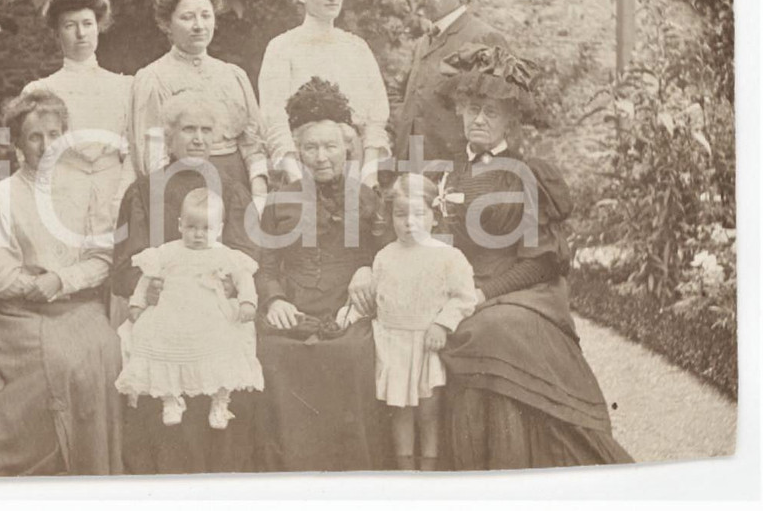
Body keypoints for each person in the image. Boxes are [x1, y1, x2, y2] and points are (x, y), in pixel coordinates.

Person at [426, 43, 633, 469]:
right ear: (461, 111)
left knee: (493, 329)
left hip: (521, 289)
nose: (479, 119)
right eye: (472, 110)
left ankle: (513, 463)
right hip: (458, 288)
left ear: (510, 122)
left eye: (492, 113)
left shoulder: (527, 174)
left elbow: (539, 261)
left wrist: (482, 294)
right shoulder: (444, 172)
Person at [0, 90, 122, 477]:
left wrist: (61, 279)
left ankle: (90, 468)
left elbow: (101, 258)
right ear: (17, 143)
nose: (46, 146)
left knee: (105, 350)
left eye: (55, 135)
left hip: (76, 304)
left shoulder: (85, 190)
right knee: (59, 360)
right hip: (22, 313)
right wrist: (36, 287)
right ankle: (44, 466)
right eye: (35, 137)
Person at [113, 93, 260, 473]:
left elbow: (248, 254)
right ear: (170, 136)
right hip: (164, 305)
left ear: (217, 137)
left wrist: (231, 284)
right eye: (188, 129)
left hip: (214, 305)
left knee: (226, 351)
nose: (197, 138)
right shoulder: (143, 190)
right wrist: (149, 286)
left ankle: (222, 469)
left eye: (206, 130)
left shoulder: (232, 189)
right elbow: (125, 263)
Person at [253, 77, 391, 472]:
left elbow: (385, 255)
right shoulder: (280, 202)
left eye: (330, 146)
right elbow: (265, 264)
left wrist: (367, 268)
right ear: (298, 151)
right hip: (292, 309)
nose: (321, 156)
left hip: (347, 310)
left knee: (350, 355)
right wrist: (275, 298)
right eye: (310, 147)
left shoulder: (365, 199)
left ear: (347, 149)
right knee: (274, 354)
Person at [115, 188, 264, 430]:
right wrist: (137, 303)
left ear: (219, 229)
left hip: (211, 312)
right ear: (180, 225)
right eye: (192, 227)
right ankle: (170, 397)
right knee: (150, 335)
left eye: (206, 229)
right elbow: (146, 278)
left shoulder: (224, 254)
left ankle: (221, 400)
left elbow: (243, 278)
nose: (198, 235)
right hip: (174, 311)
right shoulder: (168, 251)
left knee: (228, 340)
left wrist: (248, 301)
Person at [130, 0, 268, 205]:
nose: (199, 26)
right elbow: (152, 153)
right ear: (167, 24)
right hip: (181, 189)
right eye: (187, 17)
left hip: (237, 187)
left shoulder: (233, 75)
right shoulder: (153, 78)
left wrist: (259, 194)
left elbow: (253, 143)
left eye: (206, 16)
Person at [258, 0, 391, 188]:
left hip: (354, 171)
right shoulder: (282, 48)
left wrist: (369, 176)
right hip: (301, 169)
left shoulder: (357, 48)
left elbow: (376, 118)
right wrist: (296, 179)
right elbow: (273, 120)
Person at [370, 173, 477, 472]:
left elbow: (465, 297)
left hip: (426, 345)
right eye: (400, 214)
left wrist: (442, 324)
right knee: (400, 411)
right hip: (394, 345)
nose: (409, 223)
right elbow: (376, 297)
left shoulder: (447, 256)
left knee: (428, 413)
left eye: (419, 214)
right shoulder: (384, 256)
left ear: (434, 216)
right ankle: (406, 473)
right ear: (390, 216)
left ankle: (428, 473)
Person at [21, 0, 135, 257]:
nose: (81, 33)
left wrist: (122, 197)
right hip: (62, 190)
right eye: (70, 25)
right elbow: (27, 158)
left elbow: (134, 150)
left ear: (99, 27)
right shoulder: (40, 90)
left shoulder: (126, 87)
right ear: (57, 33)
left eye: (88, 23)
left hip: (114, 190)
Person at [392, 0, 508, 169]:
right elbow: (400, 94)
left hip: (458, 171)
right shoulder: (423, 42)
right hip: (412, 166)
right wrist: (405, 125)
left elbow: (501, 115)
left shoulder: (483, 38)